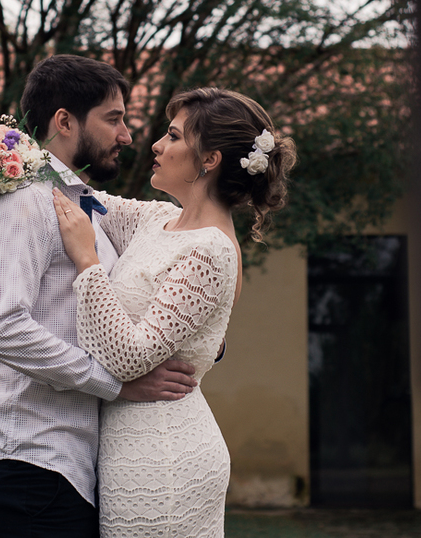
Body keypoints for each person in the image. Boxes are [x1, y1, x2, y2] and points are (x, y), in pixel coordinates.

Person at [0, 55, 200, 538]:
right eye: (114, 119)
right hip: (27, 465)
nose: (128, 136)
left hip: (66, 472)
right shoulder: (24, 201)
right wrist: (115, 384)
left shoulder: (84, 208)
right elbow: (0, 327)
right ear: (64, 121)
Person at [51, 87, 296, 537]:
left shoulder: (210, 251)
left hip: (163, 456)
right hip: (125, 448)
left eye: (173, 136)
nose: (156, 146)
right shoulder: (156, 220)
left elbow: (128, 358)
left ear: (209, 160)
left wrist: (88, 263)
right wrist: (0, 170)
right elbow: (79, 200)